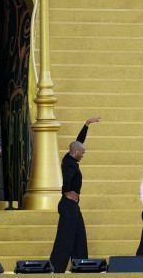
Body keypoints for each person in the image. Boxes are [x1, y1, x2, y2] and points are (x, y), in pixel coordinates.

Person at [49, 116, 101, 273]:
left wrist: (86, 125)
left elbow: (78, 142)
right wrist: (65, 192)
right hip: (68, 205)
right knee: (65, 239)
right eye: (82, 152)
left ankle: (81, 266)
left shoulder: (69, 157)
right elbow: (65, 179)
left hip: (73, 206)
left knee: (79, 237)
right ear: (76, 152)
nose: (83, 154)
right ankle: (55, 268)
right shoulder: (69, 165)